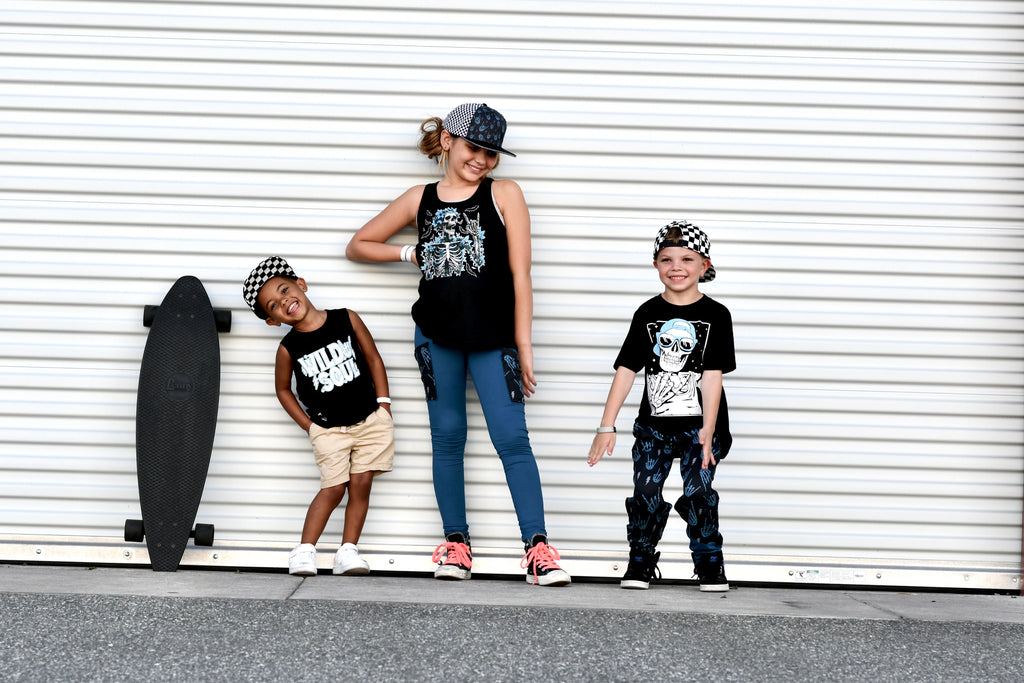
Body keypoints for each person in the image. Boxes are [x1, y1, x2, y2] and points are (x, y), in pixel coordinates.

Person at [346, 102, 570, 586]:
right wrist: (409, 253)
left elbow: (521, 276)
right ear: (448, 141)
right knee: (447, 439)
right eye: (474, 148)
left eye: (491, 153)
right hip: (435, 337)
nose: (482, 160)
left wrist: (524, 346)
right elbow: (359, 244)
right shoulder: (419, 199)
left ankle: (538, 549)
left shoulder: (504, 193)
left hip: (494, 339)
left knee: (512, 439)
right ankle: (456, 546)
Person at [587, 221, 736, 592]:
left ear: (704, 265)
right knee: (646, 493)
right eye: (667, 259)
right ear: (655, 264)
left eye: (687, 259)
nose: (676, 267)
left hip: (700, 427)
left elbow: (712, 377)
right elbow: (626, 369)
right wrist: (606, 426)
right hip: (653, 429)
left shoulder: (717, 315)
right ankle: (640, 560)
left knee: (699, 493)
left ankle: (709, 562)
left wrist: (709, 430)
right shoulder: (647, 313)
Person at [242, 256, 395, 577]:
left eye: (285, 290)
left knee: (362, 483)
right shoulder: (288, 348)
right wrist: (310, 427)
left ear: (301, 284)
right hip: (328, 430)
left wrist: (384, 405)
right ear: (272, 320)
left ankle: (348, 552)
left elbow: (373, 359)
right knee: (334, 488)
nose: (284, 302)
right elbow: (283, 389)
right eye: (273, 305)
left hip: (370, 421)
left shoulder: (346, 318)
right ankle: (304, 551)